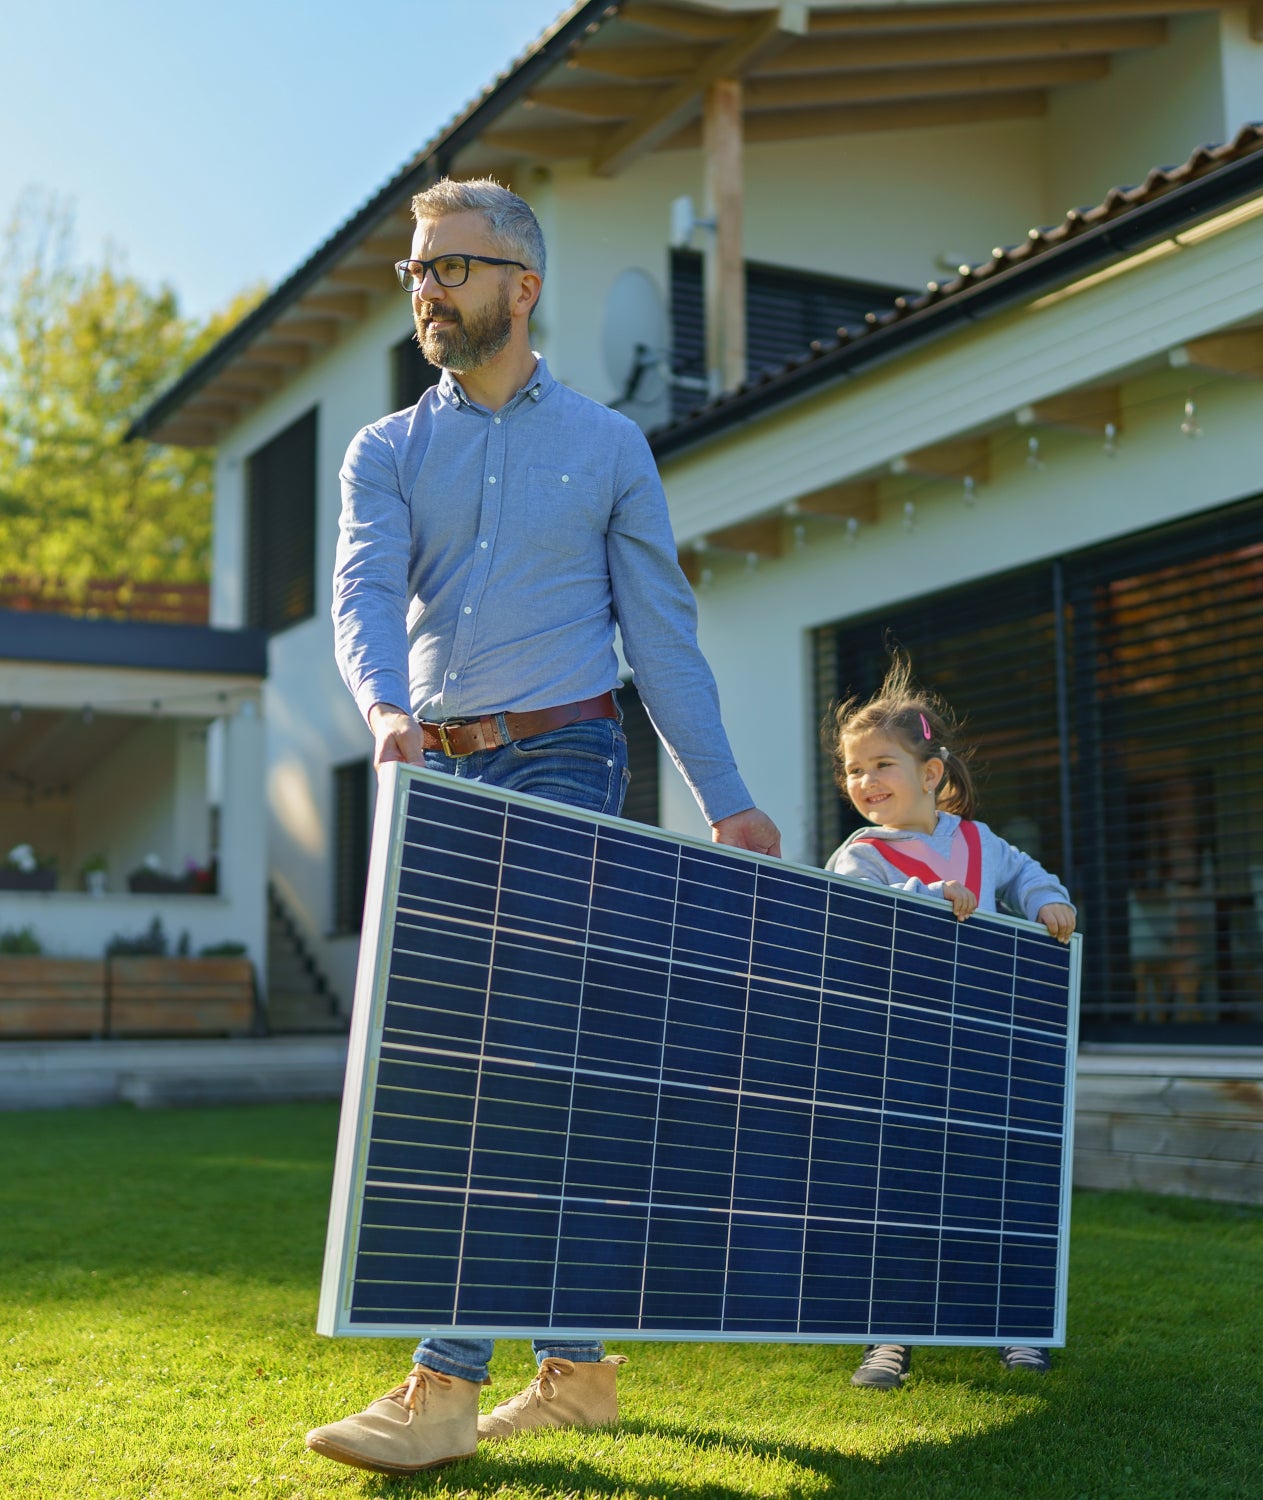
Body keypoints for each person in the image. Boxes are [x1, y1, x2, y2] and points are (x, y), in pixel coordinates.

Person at [307, 177, 781, 1476]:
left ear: (523, 283)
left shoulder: (613, 449)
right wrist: (387, 711)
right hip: (441, 775)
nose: (425, 290)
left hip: (571, 758)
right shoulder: (387, 451)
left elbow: (662, 637)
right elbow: (358, 593)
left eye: (449, 267)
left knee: (511, 1063)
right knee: (519, 1067)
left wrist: (726, 796)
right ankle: (573, 1373)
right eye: (413, 270)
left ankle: (443, 1386)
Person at [822, 655, 1074, 1391]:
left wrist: (1046, 900)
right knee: (900, 1188)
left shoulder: (979, 840)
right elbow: (861, 918)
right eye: (853, 770)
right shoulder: (860, 858)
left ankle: (1018, 1325)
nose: (865, 782)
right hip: (903, 1054)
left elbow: (1026, 873)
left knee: (999, 1182)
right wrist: (924, 891)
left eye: (882, 764)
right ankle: (888, 1335)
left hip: (986, 1050)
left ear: (930, 774)